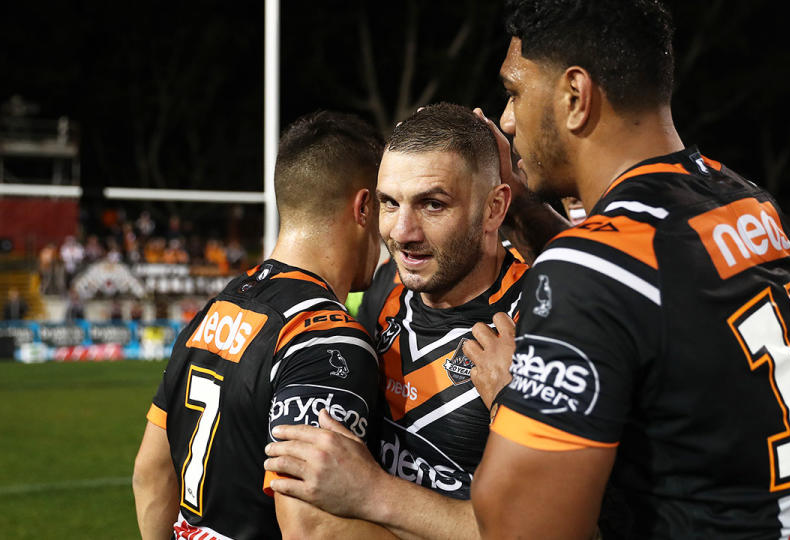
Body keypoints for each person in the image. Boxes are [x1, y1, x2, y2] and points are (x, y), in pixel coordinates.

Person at [466, 1, 790, 539]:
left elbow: (521, 525)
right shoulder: (745, 201)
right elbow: (648, 292)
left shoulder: (593, 265)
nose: (506, 119)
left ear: (575, 96)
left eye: (515, 92)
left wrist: (509, 401)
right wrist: (523, 210)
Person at [264, 103, 525, 539]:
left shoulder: (541, 319)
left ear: (494, 209)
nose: (402, 232)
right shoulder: (384, 289)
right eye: (389, 202)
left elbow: (550, 528)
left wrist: (373, 491)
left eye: (432, 204)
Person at [132, 110, 392, 540]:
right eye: (387, 205)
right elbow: (312, 527)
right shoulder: (326, 338)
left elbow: (150, 471)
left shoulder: (215, 309)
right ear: (363, 207)